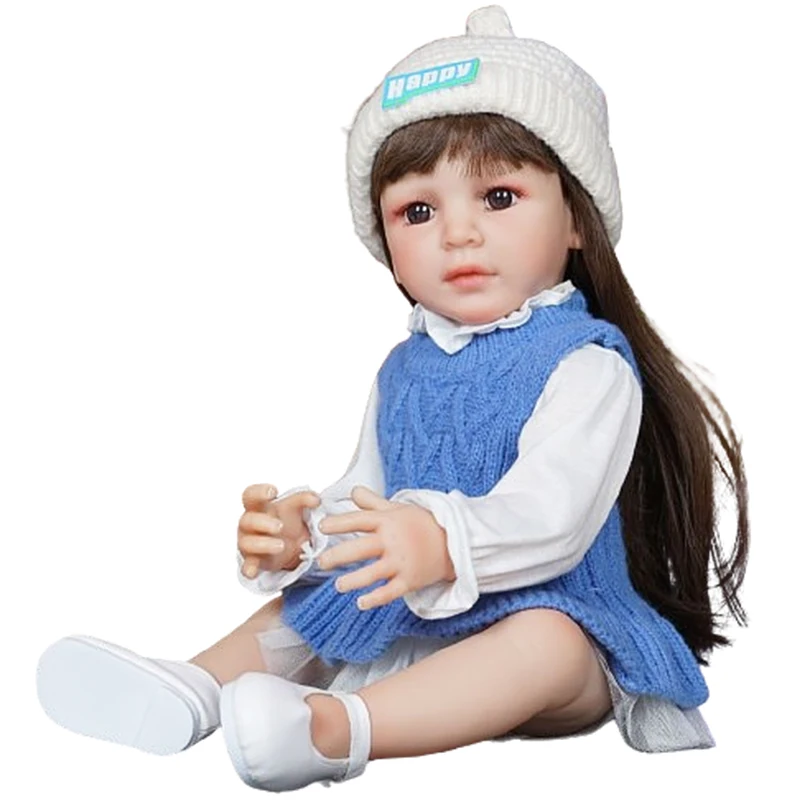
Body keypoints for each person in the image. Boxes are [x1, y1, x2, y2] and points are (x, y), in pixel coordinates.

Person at [36, 5, 750, 792]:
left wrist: (442, 541)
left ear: (578, 217)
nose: (458, 234)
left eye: (499, 197)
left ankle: (331, 729)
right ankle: (193, 688)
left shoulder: (587, 365)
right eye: (419, 211)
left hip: (555, 617)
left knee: (545, 642)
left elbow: (555, 515)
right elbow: (366, 493)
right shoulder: (403, 369)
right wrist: (306, 536)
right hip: (418, 610)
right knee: (309, 604)